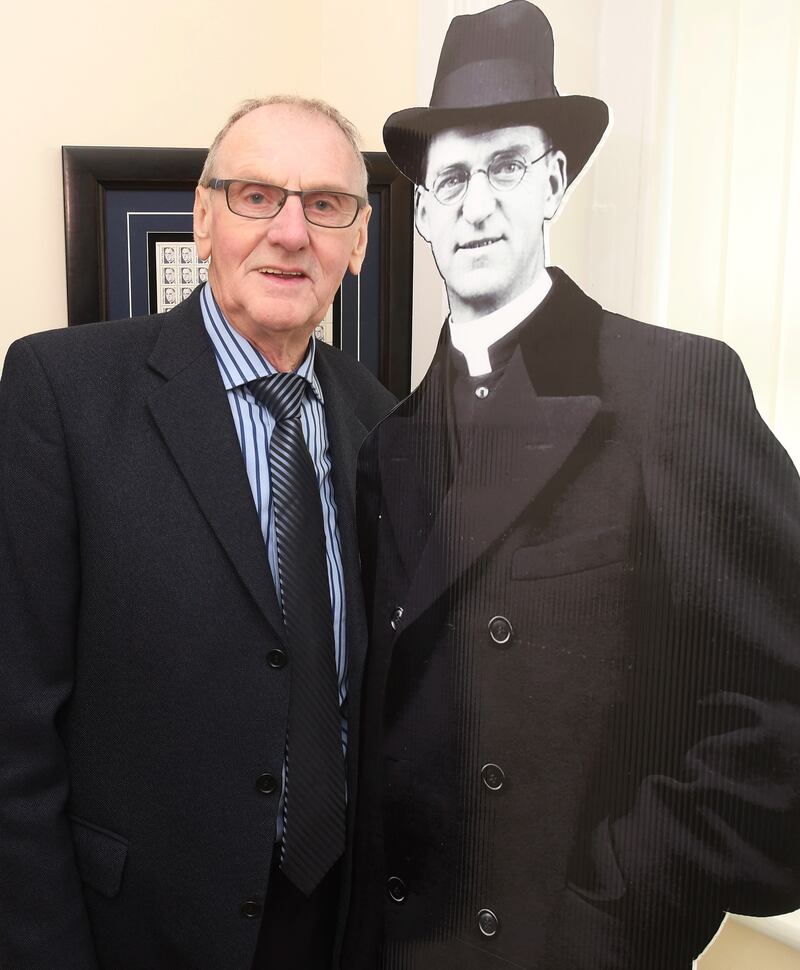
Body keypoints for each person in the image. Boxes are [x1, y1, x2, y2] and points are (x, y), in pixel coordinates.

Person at [342, 3, 800, 969]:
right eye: (451, 179)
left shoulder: (673, 389)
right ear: (421, 213)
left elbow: (779, 706)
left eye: (506, 167)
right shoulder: (387, 449)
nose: (477, 205)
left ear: (553, 182)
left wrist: (620, 904)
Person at [0, 95, 395, 970]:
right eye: (257, 196)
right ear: (203, 218)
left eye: (326, 204)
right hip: (133, 927)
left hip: (333, 922)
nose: (290, 232)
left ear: (358, 241)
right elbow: (14, 729)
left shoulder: (383, 425)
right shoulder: (62, 393)